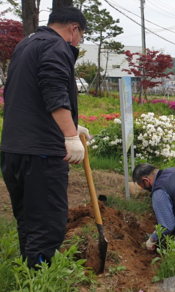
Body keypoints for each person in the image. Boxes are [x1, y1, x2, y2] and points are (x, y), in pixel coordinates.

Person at [1, 7, 89, 268]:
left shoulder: (26, 43)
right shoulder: (56, 46)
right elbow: (53, 90)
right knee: (47, 222)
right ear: (74, 29)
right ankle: (41, 277)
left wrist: (73, 124)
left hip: (13, 149)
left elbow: (31, 96)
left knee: (28, 219)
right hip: (42, 154)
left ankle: (29, 273)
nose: (78, 41)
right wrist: (70, 136)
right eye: (81, 35)